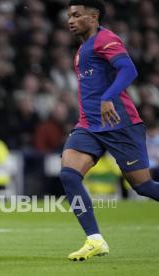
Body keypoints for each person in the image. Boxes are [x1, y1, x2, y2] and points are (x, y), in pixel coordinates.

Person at [62, 0, 159, 261]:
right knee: (69, 175)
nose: (70, 20)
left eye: (76, 15)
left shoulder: (106, 38)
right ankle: (95, 240)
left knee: (143, 186)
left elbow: (129, 69)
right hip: (89, 126)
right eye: (69, 15)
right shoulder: (83, 48)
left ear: (93, 17)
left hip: (120, 124)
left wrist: (109, 96)